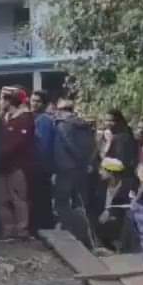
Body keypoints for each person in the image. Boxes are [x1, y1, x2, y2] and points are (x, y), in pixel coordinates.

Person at [53, 98, 97, 249]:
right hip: (81, 169)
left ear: (62, 110)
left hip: (65, 167)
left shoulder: (62, 125)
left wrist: (77, 158)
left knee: (62, 201)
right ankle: (88, 237)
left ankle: (69, 231)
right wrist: (85, 162)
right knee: (80, 202)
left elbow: (68, 144)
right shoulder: (84, 125)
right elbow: (93, 145)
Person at [0, 86, 35, 241]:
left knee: (18, 199)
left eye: (2, 99)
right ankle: (8, 229)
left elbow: (18, 142)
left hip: (17, 165)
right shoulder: (4, 118)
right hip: (1, 166)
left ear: (9, 101)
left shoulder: (24, 118)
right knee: (1, 199)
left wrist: (0, 153)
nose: (0, 102)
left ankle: (22, 230)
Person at [30, 89, 56, 232]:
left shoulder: (45, 120)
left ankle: (44, 226)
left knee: (41, 197)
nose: (34, 104)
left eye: (38, 101)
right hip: (34, 164)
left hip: (41, 166)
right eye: (33, 100)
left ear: (44, 104)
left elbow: (44, 146)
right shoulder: (32, 118)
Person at [97, 158, 136, 252]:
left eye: (102, 169)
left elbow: (130, 207)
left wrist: (109, 211)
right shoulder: (98, 186)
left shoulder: (128, 186)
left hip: (119, 227)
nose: (100, 172)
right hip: (101, 228)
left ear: (111, 172)